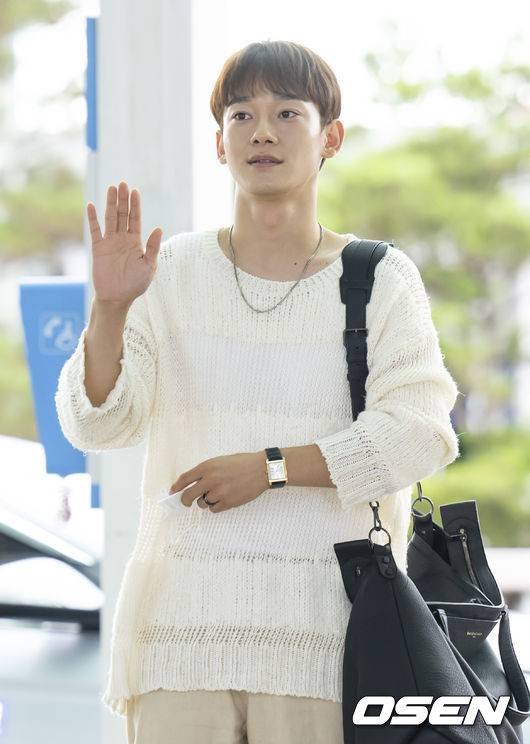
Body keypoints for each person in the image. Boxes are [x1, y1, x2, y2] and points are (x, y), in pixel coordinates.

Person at [55, 39, 461, 744]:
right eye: (241, 115)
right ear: (220, 144)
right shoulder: (171, 271)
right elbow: (100, 424)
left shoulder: (379, 278)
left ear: (331, 137)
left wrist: (271, 468)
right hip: (179, 639)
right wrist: (111, 309)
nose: (261, 131)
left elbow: (420, 433)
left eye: (286, 113)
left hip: (327, 641)